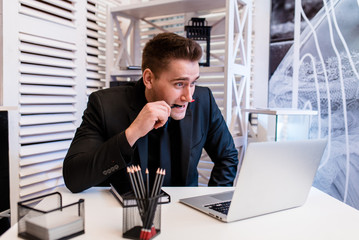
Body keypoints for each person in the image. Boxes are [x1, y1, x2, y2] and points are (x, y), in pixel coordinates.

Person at [63, 32, 238, 194]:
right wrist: (132, 133)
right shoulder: (104, 105)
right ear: (149, 79)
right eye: (179, 84)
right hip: (124, 214)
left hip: (184, 214)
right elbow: (74, 179)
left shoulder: (203, 100)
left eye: (193, 83)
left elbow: (227, 157)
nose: (188, 96)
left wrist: (210, 205)